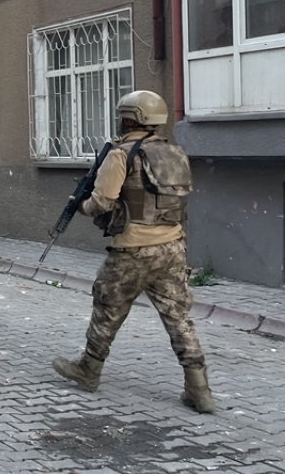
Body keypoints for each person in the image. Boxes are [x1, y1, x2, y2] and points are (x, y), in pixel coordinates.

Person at [51, 90, 213, 414]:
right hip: (171, 248)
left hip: (132, 250)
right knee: (179, 318)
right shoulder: (175, 153)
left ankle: (89, 370)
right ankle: (200, 390)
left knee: (107, 308)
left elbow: (102, 202)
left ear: (129, 118)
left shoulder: (120, 154)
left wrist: (81, 206)